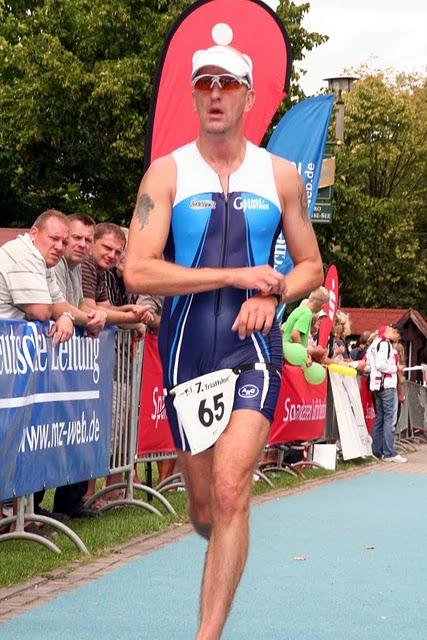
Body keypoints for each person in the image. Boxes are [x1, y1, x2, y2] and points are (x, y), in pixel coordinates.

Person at [124, 44, 323, 639]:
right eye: (205, 82)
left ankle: (206, 635)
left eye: (228, 84)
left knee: (233, 489)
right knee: (208, 510)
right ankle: (221, 536)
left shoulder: (280, 175)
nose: (216, 93)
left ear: (249, 97)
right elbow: (137, 270)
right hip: (187, 356)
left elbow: (310, 265)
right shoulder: (167, 173)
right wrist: (235, 277)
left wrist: (274, 293)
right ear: (193, 95)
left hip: (252, 351)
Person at [50, 213, 106, 519]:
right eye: (76, 238)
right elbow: (56, 307)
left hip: (69, 367)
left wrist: (91, 315)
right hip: (48, 366)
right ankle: (29, 509)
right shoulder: (55, 264)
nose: (82, 244)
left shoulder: (76, 268)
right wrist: (89, 318)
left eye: (88, 239)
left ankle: (69, 502)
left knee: (74, 432)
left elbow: (80, 305)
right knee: (46, 434)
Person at [366, 324, 407, 463]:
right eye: (396, 334)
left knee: (380, 418)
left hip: (377, 385)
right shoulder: (385, 344)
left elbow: (370, 365)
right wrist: (395, 368)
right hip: (386, 385)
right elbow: (380, 365)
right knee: (389, 419)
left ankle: (376, 450)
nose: (397, 337)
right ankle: (389, 452)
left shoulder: (374, 345)